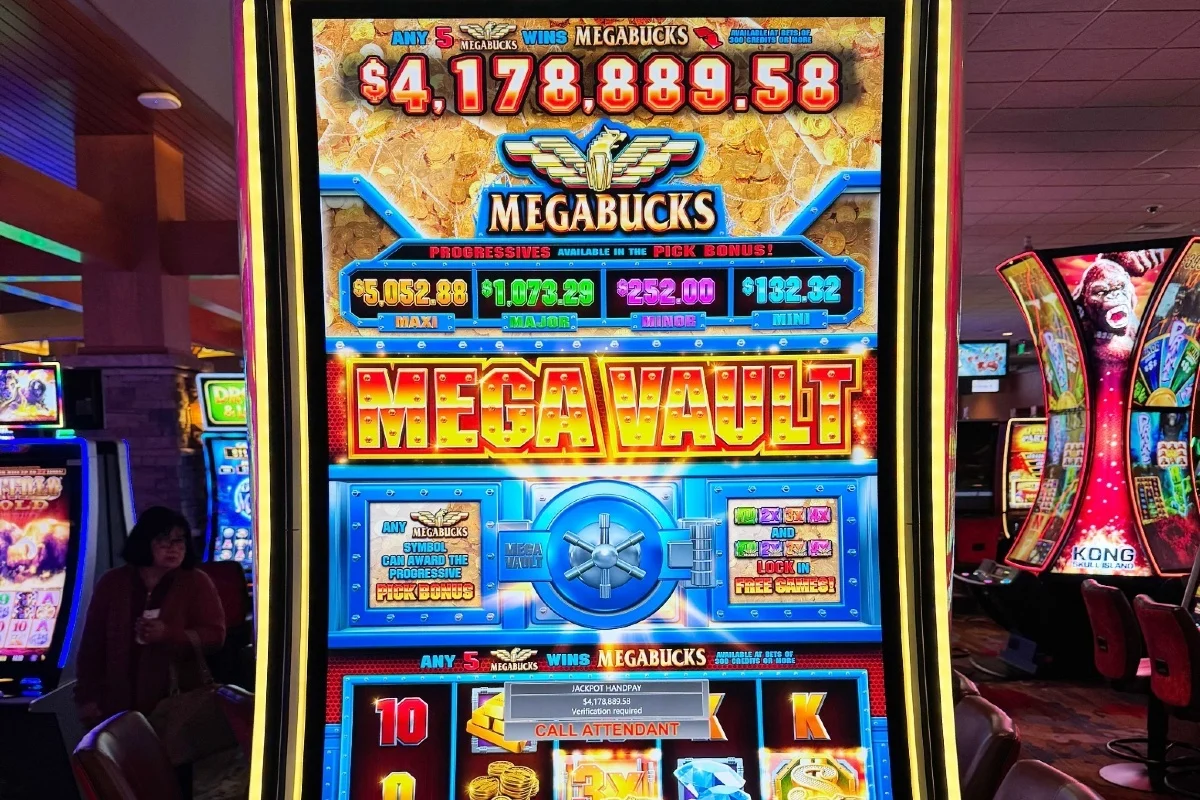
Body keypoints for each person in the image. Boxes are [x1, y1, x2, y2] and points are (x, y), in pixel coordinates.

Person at [75, 506, 225, 798]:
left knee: (174, 782)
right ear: (145, 542)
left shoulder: (195, 581)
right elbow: (92, 645)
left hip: (176, 709)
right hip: (116, 706)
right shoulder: (113, 582)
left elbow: (215, 636)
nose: (173, 548)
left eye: (179, 541)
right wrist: (86, 697)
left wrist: (169, 634)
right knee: (124, 784)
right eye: (163, 541)